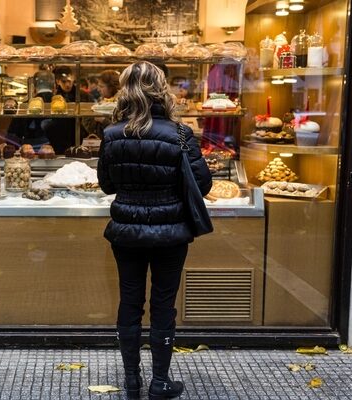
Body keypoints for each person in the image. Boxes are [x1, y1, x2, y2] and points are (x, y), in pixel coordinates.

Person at [97, 61, 212, 400]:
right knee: (164, 304)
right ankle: (160, 382)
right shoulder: (179, 134)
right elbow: (202, 184)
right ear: (161, 89)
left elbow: (106, 185)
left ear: (125, 90)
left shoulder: (111, 134)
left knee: (129, 302)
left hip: (126, 230)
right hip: (171, 232)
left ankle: (132, 382)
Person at [7, 70, 54, 148]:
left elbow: (12, 136)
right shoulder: (67, 105)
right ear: (54, 86)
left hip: (31, 152)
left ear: (33, 87)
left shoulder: (24, 106)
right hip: (62, 153)